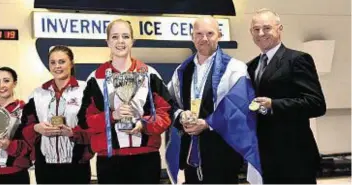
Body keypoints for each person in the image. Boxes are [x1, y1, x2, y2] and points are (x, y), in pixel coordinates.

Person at [166, 16, 262, 184]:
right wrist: (181, 115)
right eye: (199, 33)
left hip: (222, 155)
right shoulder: (182, 70)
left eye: (210, 33)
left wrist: (207, 123)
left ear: (220, 35)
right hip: (190, 156)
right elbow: (169, 102)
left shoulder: (235, 68)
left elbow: (240, 106)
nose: (204, 38)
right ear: (192, 36)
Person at [77, 19, 174, 184]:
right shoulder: (96, 78)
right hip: (110, 161)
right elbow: (85, 121)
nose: (120, 41)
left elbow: (165, 112)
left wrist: (145, 125)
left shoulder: (149, 74)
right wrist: (112, 115)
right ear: (107, 41)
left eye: (125, 36)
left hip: (146, 159)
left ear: (132, 40)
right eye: (115, 37)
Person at [247, 8, 326, 184]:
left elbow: (316, 104)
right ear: (251, 32)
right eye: (256, 29)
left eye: (267, 28)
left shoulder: (297, 60)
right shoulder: (250, 67)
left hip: (294, 157)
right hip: (264, 157)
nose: (261, 33)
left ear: (279, 28)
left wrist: (273, 104)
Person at [20, 45, 93, 184]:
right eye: (53, 62)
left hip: (77, 164)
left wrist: (73, 133)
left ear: (71, 63)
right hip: (45, 166)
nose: (57, 66)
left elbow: (94, 126)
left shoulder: (85, 90)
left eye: (62, 62)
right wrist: (36, 128)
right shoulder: (38, 93)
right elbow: (24, 127)